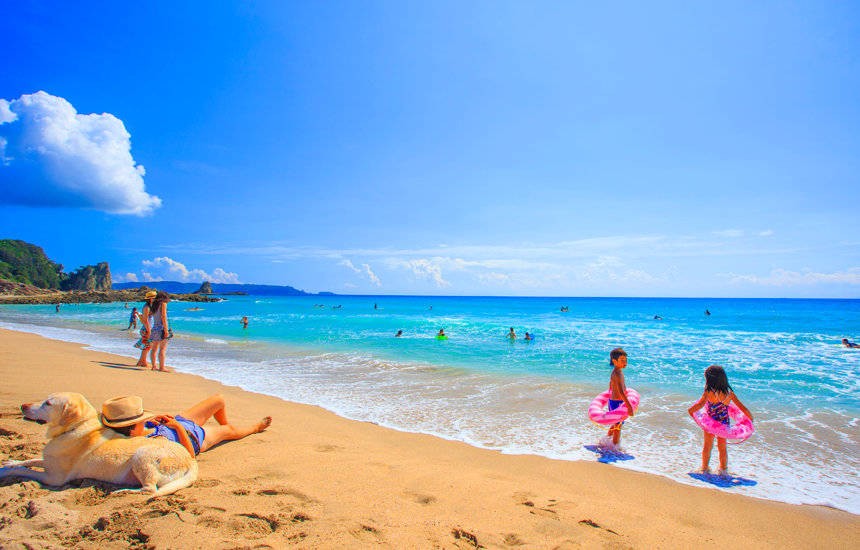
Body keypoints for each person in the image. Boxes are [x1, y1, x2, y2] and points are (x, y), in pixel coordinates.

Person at [101, 394, 272, 457]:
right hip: (195, 437)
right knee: (230, 430)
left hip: (179, 422)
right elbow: (189, 456)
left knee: (219, 399)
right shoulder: (152, 442)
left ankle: (225, 431)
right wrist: (178, 427)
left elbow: (145, 426)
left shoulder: (139, 430)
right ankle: (254, 428)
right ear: (131, 430)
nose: (144, 420)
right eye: (140, 420)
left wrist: (159, 419)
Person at [687, 365, 753, 475]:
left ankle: (704, 469)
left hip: (711, 424)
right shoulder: (730, 394)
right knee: (722, 448)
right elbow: (743, 408)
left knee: (708, 446)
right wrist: (750, 420)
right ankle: (723, 470)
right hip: (724, 424)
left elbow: (700, 404)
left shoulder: (709, 392)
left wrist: (690, 411)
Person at [607, 348, 634, 446]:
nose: (625, 363)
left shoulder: (619, 372)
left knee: (616, 424)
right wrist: (629, 407)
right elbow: (621, 392)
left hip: (616, 402)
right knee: (618, 427)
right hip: (616, 403)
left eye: (626, 360)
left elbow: (611, 384)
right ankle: (614, 448)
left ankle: (607, 440)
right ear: (615, 361)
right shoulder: (617, 374)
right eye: (622, 360)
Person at [145, 291, 172, 372]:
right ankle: (162, 367)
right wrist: (166, 329)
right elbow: (164, 317)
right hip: (162, 329)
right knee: (162, 349)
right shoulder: (163, 304)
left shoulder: (154, 305)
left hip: (155, 328)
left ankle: (154, 366)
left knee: (154, 349)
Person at [135, 291, 157, 368]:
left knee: (148, 345)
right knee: (146, 346)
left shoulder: (150, 307)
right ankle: (143, 363)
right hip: (146, 329)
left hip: (149, 328)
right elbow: (145, 320)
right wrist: (149, 331)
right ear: (150, 299)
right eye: (154, 298)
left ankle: (140, 362)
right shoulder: (146, 307)